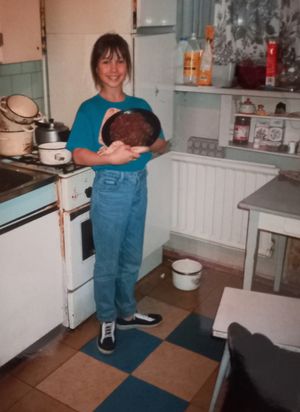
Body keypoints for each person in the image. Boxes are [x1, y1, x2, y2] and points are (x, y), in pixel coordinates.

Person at [66, 33, 167, 355]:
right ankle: (107, 319)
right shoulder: (90, 108)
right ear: (96, 67)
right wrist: (109, 158)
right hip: (109, 187)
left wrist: (145, 146)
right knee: (108, 262)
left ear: (128, 65)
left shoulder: (140, 106)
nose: (114, 68)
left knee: (131, 256)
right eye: (106, 60)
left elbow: (161, 143)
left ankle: (126, 312)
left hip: (139, 183)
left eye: (120, 60)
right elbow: (78, 153)